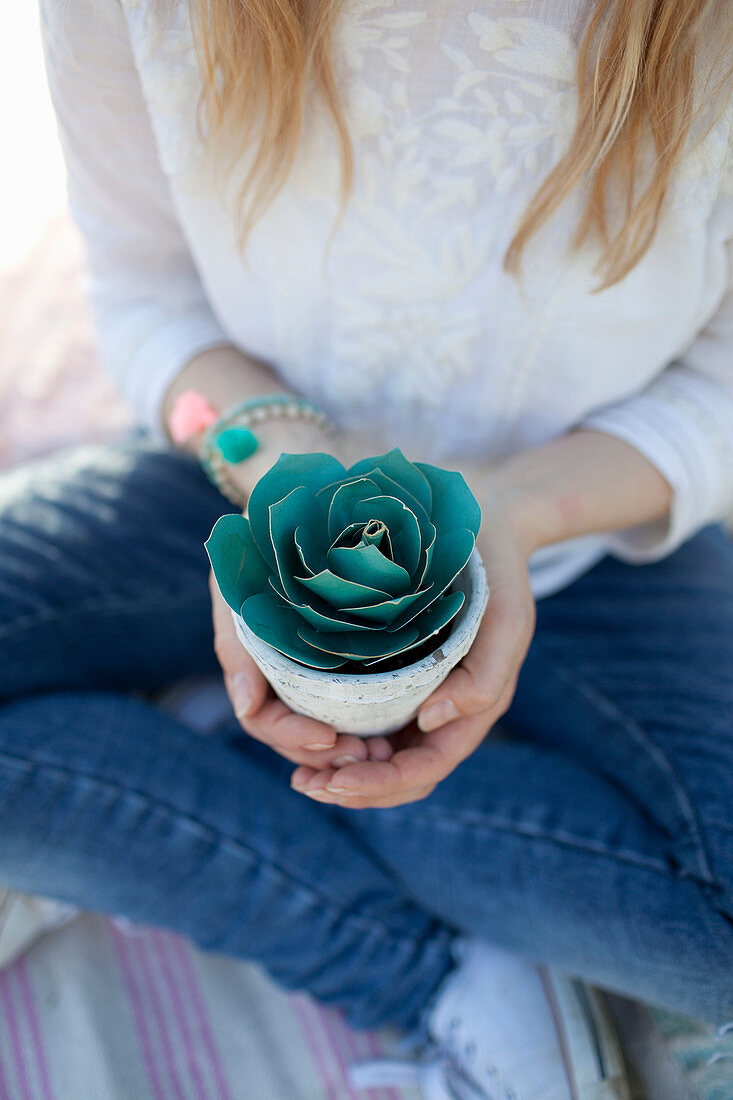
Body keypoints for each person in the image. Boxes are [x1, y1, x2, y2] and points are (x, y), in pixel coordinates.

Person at [1, 0, 732, 1095]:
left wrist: (520, 513)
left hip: (597, 525)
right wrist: (280, 468)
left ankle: (244, 756)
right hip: (241, 472)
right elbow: (145, 293)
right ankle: (419, 966)